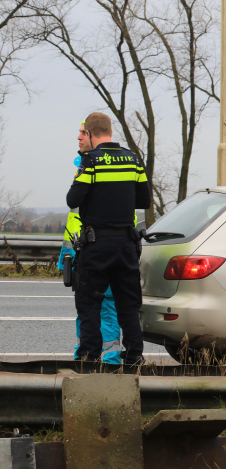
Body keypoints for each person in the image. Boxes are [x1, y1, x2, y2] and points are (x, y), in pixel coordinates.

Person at [66, 112, 151, 364]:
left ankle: (89, 357)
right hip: (126, 245)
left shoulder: (90, 161)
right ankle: (134, 356)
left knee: (89, 301)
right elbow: (144, 200)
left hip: (97, 245)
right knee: (128, 304)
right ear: (111, 132)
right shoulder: (133, 159)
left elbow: (73, 199)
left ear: (89, 134)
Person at [58, 120, 123, 364]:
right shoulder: (84, 165)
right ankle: (84, 357)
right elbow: (74, 216)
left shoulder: (102, 167)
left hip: (99, 249)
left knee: (106, 308)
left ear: (92, 134)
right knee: (85, 310)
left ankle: (110, 361)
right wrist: (68, 253)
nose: (78, 137)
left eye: (82, 133)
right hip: (81, 251)